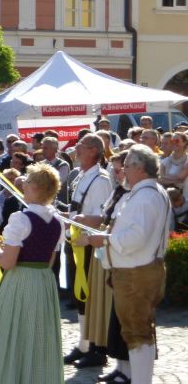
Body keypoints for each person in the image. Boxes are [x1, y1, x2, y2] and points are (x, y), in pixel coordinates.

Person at [76, 145, 170, 384]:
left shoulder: (146, 196)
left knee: (137, 333)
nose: (123, 170)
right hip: (138, 269)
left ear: (139, 168)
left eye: (127, 165)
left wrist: (102, 240)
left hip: (136, 272)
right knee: (137, 332)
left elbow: (134, 239)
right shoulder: (146, 193)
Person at [0, 163, 65, 384]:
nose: (23, 185)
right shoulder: (58, 221)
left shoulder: (21, 219)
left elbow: (8, 262)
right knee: (38, 336)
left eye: (27, 181)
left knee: (13, 334)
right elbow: (51, 260)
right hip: (44, 282)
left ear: (36, 187)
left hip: (21, 281)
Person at [63, 134, 114, 369]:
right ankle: (84, 343)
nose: (76, 150)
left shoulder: (101, 180)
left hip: (87, 245)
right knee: (79, 295)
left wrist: (83, 234)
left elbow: (101, 218)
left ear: (93, 151)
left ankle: (97, 347)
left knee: (90, 294)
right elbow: (78, 210)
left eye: (81, 147)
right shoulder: (82, 175)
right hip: (75, 242)